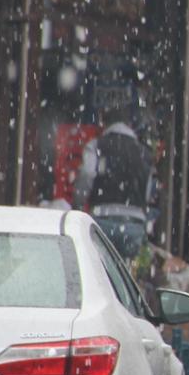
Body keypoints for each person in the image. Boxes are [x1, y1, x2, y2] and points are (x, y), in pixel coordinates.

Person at [74, 95, 156, 264]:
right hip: (134, 226)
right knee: (123, 275)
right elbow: (148, 191)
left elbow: (87, 174)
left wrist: (79, 203)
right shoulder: (144, 153)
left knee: (99, 270)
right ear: (129, 124)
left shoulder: (96, 146)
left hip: (103, 221)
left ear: (105, 123)